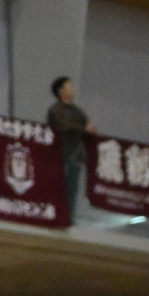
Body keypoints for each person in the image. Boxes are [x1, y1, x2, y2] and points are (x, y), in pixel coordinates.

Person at [46, 77, 90, 209]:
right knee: (59, 188)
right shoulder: (55, 110)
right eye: (69, 86)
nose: (73, 89)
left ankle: (69, 215)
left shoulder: (77, 111)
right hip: (61, 155)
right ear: (61, 91)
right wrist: (83, 128)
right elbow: (65, 126)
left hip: (76, 155)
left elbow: (86, 124)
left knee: (72, 190)